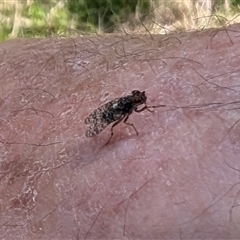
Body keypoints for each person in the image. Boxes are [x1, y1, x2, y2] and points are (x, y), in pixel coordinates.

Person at [0, 24, 240, 239]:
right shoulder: (128, 105)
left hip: (113, 108)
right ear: (135, 100)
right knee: (116, 125)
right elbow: (121, 117)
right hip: (112, 113)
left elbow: (126, 106)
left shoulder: (131, 101)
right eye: (140, 99)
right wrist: (131, 123)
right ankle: (107, 138)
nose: (141, 100)